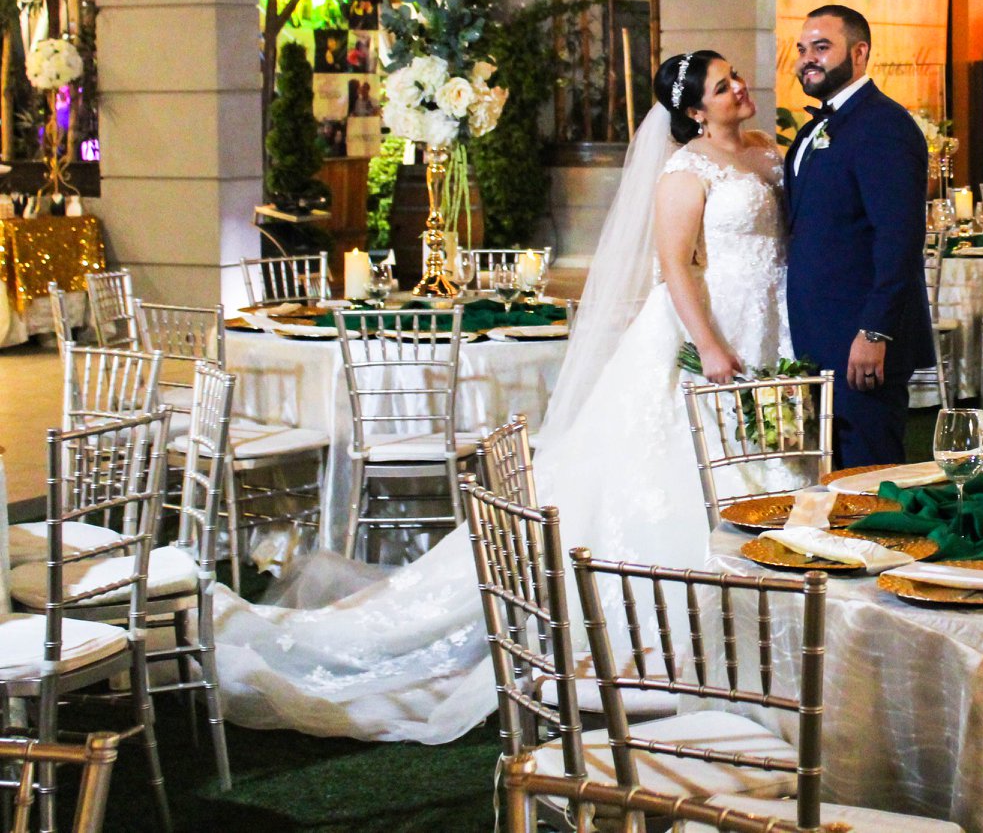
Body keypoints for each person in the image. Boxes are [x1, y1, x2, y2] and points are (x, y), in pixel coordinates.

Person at [212, 51, 791, 742]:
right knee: (669, 471)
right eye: (723, 85)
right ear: (694, 109)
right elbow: (673, 265)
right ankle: (662, 635)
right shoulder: (686, 169)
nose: (739, 87)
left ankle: (760, 614)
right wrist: (712, 346)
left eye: (735, 77)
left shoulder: (765, 150)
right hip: (706, 331)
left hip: (765, 320)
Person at [784, 5, 935, 468]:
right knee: (836, 472)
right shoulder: (817, 128)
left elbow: (900, 238)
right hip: (819, 332)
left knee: (869, 472)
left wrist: (875, 330)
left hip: (861, 336)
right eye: (802, 49)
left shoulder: (883, 125)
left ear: (859, 52)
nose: (808, 59)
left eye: (822, 47)